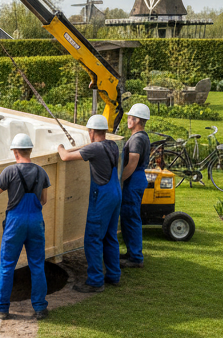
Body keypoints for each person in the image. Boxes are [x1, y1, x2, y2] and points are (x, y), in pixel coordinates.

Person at [0, 133, 50, 320]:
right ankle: (40, 308)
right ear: (30, 150)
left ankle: (1, 308)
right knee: (37, 265)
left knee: (7, 266)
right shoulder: (42, 172)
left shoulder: (10, 171)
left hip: (15, 222)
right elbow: (44, 200)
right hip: (35, 220)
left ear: (15, 152)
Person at [57, 113, 121, 291]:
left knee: (93, 238)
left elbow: (65, 157)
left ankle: (95, 281)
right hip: (115, 193)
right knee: (110, 235)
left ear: (92, 132)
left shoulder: (96, 148)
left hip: (102, 196)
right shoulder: (112, 145)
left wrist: (61, 146)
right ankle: (114, 275)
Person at [119, 102, 152, 269]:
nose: (128, 120)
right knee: (128, 217)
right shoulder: (140, 136)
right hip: (136, 178)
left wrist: (119, 181)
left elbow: (132, 164)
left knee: (131, 218)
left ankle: (136, 257)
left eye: (130, 117)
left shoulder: (138, 138)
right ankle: (132, 252)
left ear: (138, 120)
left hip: (134, 179)